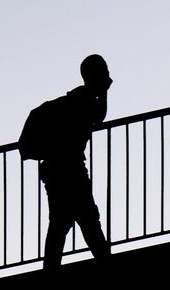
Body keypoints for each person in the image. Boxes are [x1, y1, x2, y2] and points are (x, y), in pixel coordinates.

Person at [36, 54, 113, 269]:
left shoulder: (77, 97)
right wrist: (105, 92)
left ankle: (50, 270)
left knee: (61, 224)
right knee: (86, 220)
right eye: (104, 70)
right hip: (70, 171)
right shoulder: (84, 99)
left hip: (57, 170)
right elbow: (99, 116)